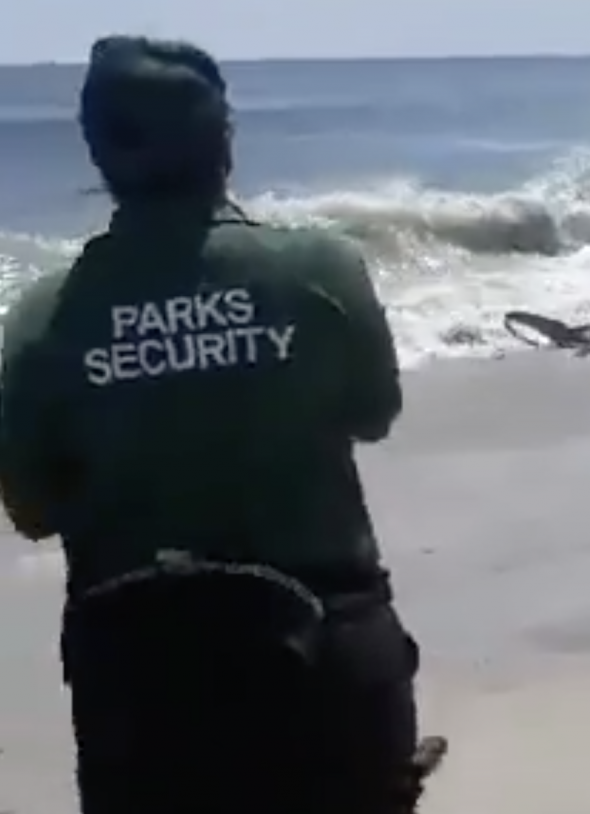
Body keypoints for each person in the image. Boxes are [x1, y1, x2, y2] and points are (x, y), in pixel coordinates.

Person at [0, 36, 437, 814]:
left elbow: (31, 509)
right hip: (325, 658)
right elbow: (375, 412)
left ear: (98, 152)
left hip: (141, 685)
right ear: (223, 141)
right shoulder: (321, 269)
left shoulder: (39, 320)